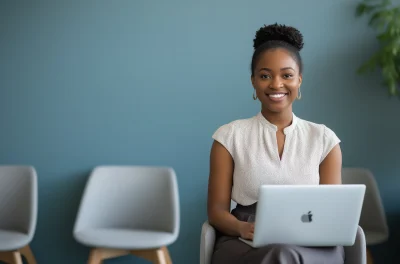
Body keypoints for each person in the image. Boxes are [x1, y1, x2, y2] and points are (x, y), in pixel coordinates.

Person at [207, 23, 345, 264]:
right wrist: (243, 228)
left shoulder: (325, 140)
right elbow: (216, 212)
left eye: (287, 75)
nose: (276, 84)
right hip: (245, 240)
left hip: (310, 242)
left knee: (285, 253)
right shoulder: (229, 136)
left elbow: (331, 213)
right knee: (280, 253)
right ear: (253, 81)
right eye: (265, 75)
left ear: (299, 80)